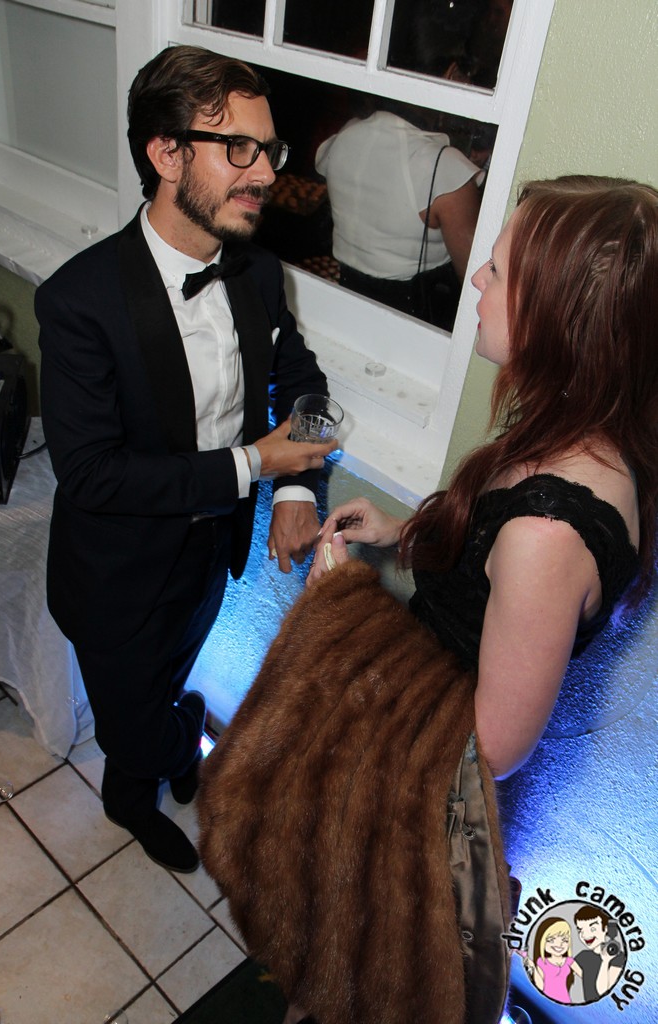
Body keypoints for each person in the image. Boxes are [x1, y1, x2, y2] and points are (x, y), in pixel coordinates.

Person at [196, 175, 658, 1024]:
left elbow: (491, 746)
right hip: (407, 763)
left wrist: (343, 613)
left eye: (499, 268)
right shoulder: (577, 432)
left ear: (562, 316)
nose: (474, 276)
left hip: (425, 801)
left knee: (376, 971)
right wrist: (406, 531)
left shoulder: (549, 531)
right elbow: (491, 577)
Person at [36, 45, 336, 874]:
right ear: (165, 154)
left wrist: (293, 491)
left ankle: (152, 756)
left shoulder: (259, 271)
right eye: (236, 147)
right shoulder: (78, 301)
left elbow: (301, 379)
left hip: (210, 556)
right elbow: (91, 473)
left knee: (174, 668)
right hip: (116, 575)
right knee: (132, 726)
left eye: (268, 149)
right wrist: (257, 467)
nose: (265, 172)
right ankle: (154, 769)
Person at [314, 100, 482, 328]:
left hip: (349, 302)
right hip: (419, 317)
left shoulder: (346, 135)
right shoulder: (444, 166)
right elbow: (475, 280)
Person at [574, 906, 626, 1002]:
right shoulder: (583, 956)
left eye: (593, 929)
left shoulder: (618, 957)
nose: (585, 935)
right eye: (580, 930)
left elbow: (602, 992)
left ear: (605, 929)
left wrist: (605, 961)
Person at [525, 917, 582, 1003]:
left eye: (565, 940)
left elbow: (585, 976)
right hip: (546, 1001)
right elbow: (540, 986)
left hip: (565, 1001)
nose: (559, 944)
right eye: (551, 940)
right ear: (542, 941)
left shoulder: (569, 961)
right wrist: (533, 968)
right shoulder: (542, 962)